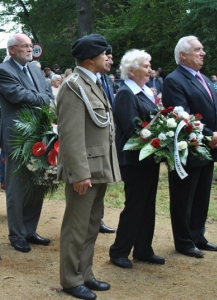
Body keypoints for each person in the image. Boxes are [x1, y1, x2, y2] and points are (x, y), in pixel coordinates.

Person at [57, 34, 120, 300]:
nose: (110, 59)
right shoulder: (73, 86)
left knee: (92, 224)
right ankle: (71, 280)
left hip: (99, 167)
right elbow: (70, 134)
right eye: (106, 54)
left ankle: (85, 273)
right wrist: (80, 172)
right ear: (92, 58)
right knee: (77, 226)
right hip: (85, 170)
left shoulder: (92, 82)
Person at [162, 36, 217, 258]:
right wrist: (210, 134)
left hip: (209, 148)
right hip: (188, 149)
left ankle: (198, 236)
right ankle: (184, 241)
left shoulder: (206, 79)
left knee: (202, 195)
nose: (203, 53)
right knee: (184, 196)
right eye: (198, 49)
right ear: (183, 55)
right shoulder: (174, 80)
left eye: (202, 49)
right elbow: (183, 114)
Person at [0, 33, 53, 253]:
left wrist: (42, 97)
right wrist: (43, 98)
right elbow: (20, 96)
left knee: (37, 184)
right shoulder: (3, 71)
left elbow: (47, 94)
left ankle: (30, 229)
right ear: (12, 50)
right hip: (17, 138)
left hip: (39, 135)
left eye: (31, 46)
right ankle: (16, 233)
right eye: (25, 46)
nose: (30, 49)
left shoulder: (36, 70)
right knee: (17, 188)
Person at [109, 49, 164, 269]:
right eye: (146, 65)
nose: (150, 69)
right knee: (135, 204)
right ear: (131, 70)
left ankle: (143, 249)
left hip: (148, 157)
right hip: (133, 159)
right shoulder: (125, 93)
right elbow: (132, 127)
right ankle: (119, 251)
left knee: (147, 204)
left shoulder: (145, 93)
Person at [98, 44, 116, 234]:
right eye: (107, 56)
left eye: (110, 57)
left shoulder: (106, 80)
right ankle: (93, 219)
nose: (110, 60)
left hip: (108, 137)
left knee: (103, 179)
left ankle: (98, 218)